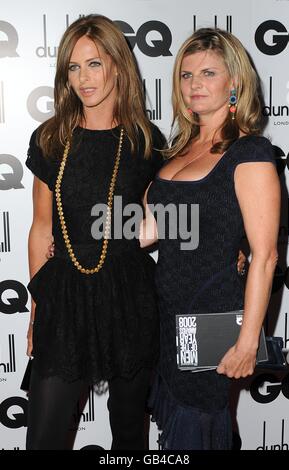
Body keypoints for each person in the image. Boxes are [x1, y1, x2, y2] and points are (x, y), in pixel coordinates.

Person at [24, 14, 166, 450]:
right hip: (65, 295)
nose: (83, 78)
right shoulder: (51, 138)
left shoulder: (145, 141)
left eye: (94, 64)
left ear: (118, 66)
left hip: (129, 297)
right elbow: (41, 227)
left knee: (128, 433)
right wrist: (36, 308)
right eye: (73, 67)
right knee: (44, 434)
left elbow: (156, 224)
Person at [140, 28, 280, 450]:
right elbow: (145, 231)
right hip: (166, 319)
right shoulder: (179, 149)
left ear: (234, 83)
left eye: (208, 73)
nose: (194, 85)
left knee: (196, 428)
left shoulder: (250, 153)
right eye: (185, 75)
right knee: (175, 430)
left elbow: (266, 256)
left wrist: (247, 343)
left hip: (211, 321)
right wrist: (78, 234)